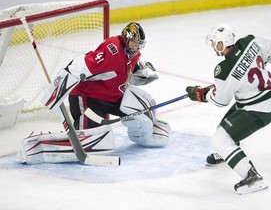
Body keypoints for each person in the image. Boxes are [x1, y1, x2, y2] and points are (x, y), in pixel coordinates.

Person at [17, 22, 170, 164]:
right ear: (126, 39)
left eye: (139, 45)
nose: (137, 48)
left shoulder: (133, 53)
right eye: (135, 44)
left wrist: (142, 72)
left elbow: (129, 67)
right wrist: (58, 87)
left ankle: (146, 133)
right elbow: (80, 64)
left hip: (113, 96)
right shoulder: (113, 50)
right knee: (92, 143)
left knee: (144, 112)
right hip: (88, 99)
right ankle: (39, 146)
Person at [185, 24, 271, 194]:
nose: (213, 47)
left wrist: (201, 94)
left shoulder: (224, 70)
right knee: (225, 127)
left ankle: (252, 178)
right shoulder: (251, 41)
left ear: (221, 45)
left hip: (261, 108)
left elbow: (220, 100)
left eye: (215, 44)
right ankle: (229, 151)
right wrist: (260, 63)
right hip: (270, 94)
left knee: (219, 139)